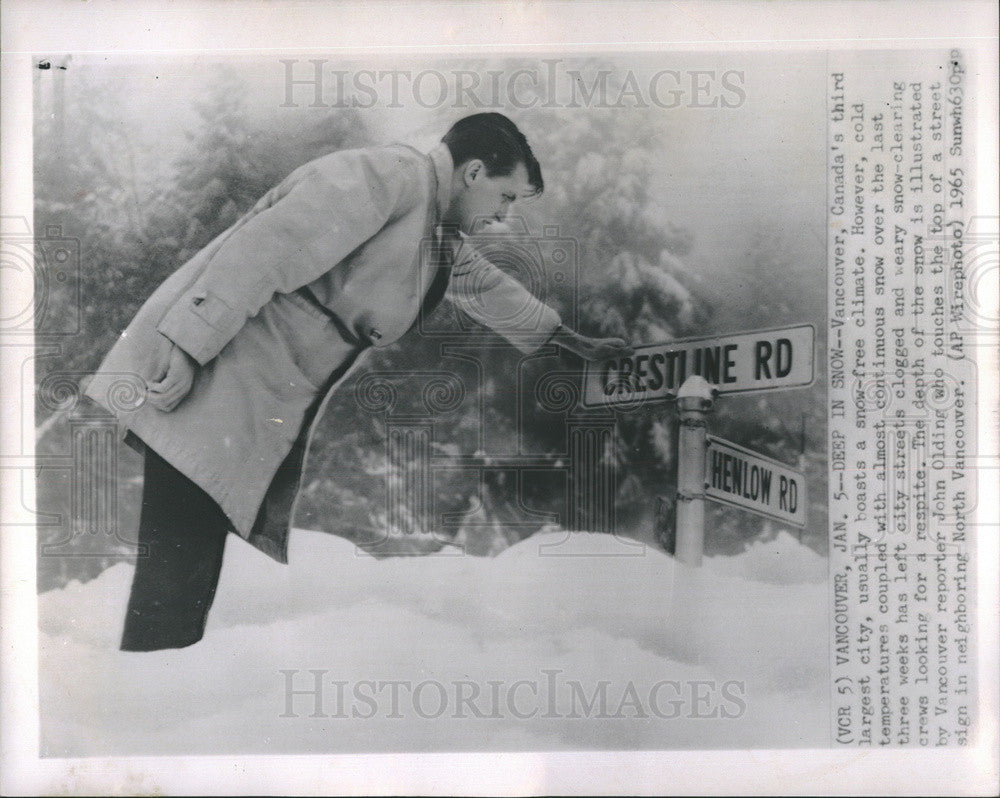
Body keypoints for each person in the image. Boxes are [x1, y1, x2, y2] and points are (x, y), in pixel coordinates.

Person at [85, 112, 631, 651]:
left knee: (189, 561)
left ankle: (160, 695)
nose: (504, 215)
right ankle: (147, 704)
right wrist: (186, 348)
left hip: (244, 389)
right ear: (472, 173)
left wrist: (570, 343)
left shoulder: (431, 230)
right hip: (215, 369)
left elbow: (487, 287)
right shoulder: (386, 178)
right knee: (178, 560)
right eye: (506, 196)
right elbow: (262, 251)